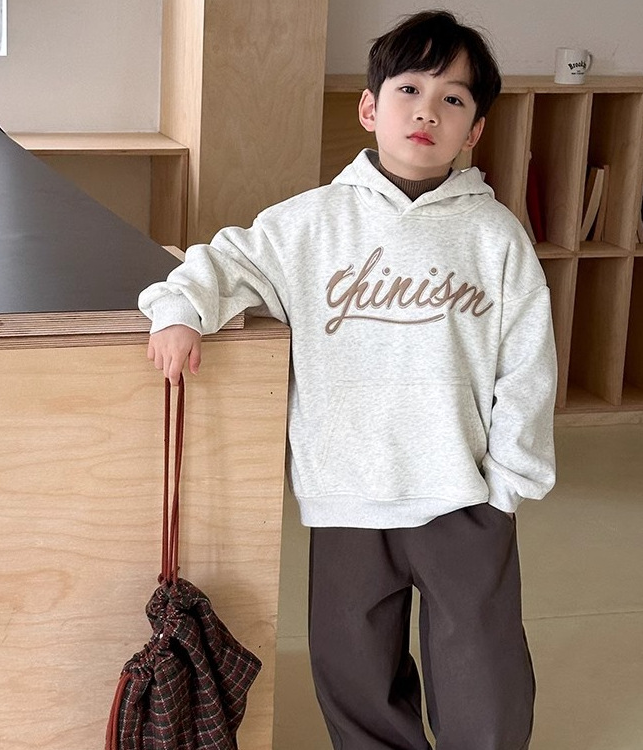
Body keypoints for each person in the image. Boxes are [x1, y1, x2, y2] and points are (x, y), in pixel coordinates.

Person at [139, 10, 556, 749]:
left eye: (453, 99)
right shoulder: (311, 223)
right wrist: (180, 311)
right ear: (369, 107)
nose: (427, 111)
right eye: (409, 89)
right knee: (353, 667)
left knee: (482, 668)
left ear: (474, 131)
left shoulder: (495, 237)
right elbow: (226, 260)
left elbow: (527, 364)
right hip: (346, 492)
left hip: (462, 491)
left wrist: (509, 481)